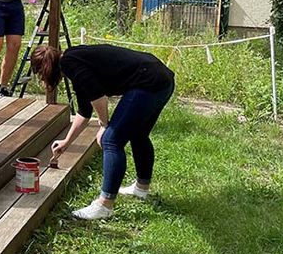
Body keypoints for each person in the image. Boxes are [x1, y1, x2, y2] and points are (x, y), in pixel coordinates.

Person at [31, 43, 176, 220]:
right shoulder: (75, 59)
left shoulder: (70, 63)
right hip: (161, 78)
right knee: (139, 134)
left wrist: (104, 126)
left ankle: (104, 205)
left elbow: (99, 98)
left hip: (148, 82)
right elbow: (85, 110)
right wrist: (66, 142)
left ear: (46, 68)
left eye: (41, 74)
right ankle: (141, 189)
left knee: (111, 140)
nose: (43, 79)